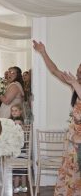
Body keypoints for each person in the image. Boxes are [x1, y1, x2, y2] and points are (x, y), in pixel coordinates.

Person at [33, 40, 81, 195]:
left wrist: (75, 83)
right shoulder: (75, 86)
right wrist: (43, 52)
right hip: (74, 140)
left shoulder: (76, 86)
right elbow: (54, 70)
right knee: (71, 173)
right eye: (78, 70)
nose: (78, 73)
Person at [9, 104, 27, 193]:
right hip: (15, 147)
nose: (14, 112)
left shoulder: (20, 121)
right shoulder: (11, 121)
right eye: (12, 111)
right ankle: (22, 186)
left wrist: (18, 124)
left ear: (20, 111)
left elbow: (23, 128)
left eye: (16, 110)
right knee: (19, 167)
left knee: (20, 167)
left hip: (21, 148)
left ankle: (18, 187)